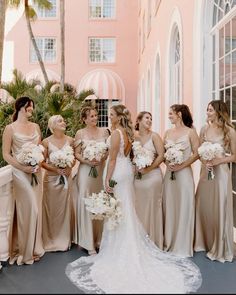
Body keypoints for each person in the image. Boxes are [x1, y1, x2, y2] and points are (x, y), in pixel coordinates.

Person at [66, 104, 202, 294]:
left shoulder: (115, 134)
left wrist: (107, 180)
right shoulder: (127, 134)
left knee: (117, 211)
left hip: (117, 174)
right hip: (127, 173)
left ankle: (119, 249)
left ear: (117, 117)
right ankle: (127, 244)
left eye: (111, 114)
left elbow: (112, 160)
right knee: (125, 209)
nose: (109, 116)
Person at [2, 96, 45, 265]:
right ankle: (24, 251)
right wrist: (23, 167)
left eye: (32, 107)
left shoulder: (35, 126)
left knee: (35, 210)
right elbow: (6, 154)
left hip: (36, 172)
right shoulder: (10, 129)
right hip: (20, 174)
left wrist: (38, 161)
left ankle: (33, 249)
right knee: (30, 209)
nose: (32, 110)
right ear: (21, 107)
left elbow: (40, 148)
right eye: (29, 107)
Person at [194, 100, 236, 263]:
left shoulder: (229, 131)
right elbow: (198, 151)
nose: (207, 112)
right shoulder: (204, 129)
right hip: (206, 172)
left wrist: (219, 161)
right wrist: (205, 161)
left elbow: (234, 155)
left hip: (221, 174)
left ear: (218, 111)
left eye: (210, 110)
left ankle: (219, 246)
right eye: (207, 109)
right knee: (203, 205)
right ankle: (203, 241)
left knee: (219, 206)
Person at [162, 104, 200, 257]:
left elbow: (197, 154)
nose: (169, 116)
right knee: (170, 205)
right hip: (170, 175)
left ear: (179, 114)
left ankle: (183, 244)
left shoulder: (191, 132)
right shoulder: (167, 132)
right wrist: (168, 164)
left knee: (184, 205)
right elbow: (163, 154)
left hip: (184, 175)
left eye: (171, 113)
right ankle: (169, 241)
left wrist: (182, 165)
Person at [71, 106, 109, 255]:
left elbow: (107, 151)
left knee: (100, 201)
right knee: (87, 202)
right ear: (84, 119)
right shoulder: (80, 133)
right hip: (86, 172)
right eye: (91, 116)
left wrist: (101, 158)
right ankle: (88, 242)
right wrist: (87, 161)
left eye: (95, 115)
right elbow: (77, 153)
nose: (94, 118)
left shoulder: (104, 132)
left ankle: (99, 239)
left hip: (100, 170)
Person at [41, 115, 75, 252]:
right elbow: (42, 162)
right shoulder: (45, 142)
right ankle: (50, 240)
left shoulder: (71, 140)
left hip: (67, 179)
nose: (63, 122)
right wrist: (56, 169)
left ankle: (65, 239)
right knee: (51, 210)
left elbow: (73, 159)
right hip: (51, 180)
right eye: (60, 121)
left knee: (65, 208)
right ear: (53, 125)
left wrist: (69, 166)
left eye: (63, 120)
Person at [133, 111, 164, 249]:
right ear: (138, 120)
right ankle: (139, 237)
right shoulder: (133, 137)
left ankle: (153, 239)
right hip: (138, 176)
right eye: (147, 117)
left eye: (151, 118)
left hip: (153, 176)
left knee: (152, 205)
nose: (150, 120)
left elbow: (161, 156)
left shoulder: (155, 136)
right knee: (138, 205)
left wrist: (148, 168)